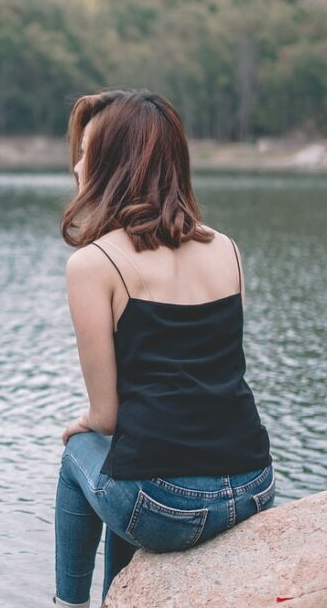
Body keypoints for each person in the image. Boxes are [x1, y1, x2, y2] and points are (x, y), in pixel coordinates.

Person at [53, 90, 275, 607]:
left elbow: (106, 418)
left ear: (115, 163)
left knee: (78, 458)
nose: (77, 164)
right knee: (129, 458)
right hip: (254, 487)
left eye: (87, 151)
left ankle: (70, 603)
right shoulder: (226, 248)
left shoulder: (94, 265)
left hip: (169, 507)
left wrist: (84, 425)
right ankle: (118, 596)